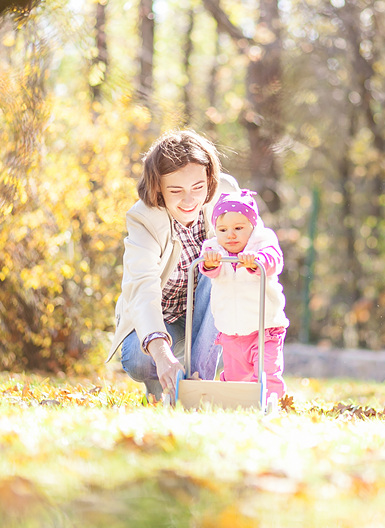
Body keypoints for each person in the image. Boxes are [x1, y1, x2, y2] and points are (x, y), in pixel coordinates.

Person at [105, 130, 239, 399]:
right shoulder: (143, 218)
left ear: (210, 180)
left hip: (208, 315)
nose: (189, 201)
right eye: (176, 191)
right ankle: (162, 386)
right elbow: (142, 289)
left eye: (198, 188)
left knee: (223, 266)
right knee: (139, 359)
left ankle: (200, 384)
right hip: (163, 318)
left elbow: (253, 244)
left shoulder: (226, 195)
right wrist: (162, 355)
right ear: (159, 189)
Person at [199, 190, 288, 400]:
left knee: (266, 371)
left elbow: (274, 261)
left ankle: (271, 403)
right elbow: (208, 267)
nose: (231, 234)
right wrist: (210, 262)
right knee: (235, 377)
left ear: (253, 226)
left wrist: (258, 260)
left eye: (239, 228)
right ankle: (235, 404)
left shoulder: (262, 241)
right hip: (232, 330)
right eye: (223, 229)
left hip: (265, 328)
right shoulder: (213, 247)